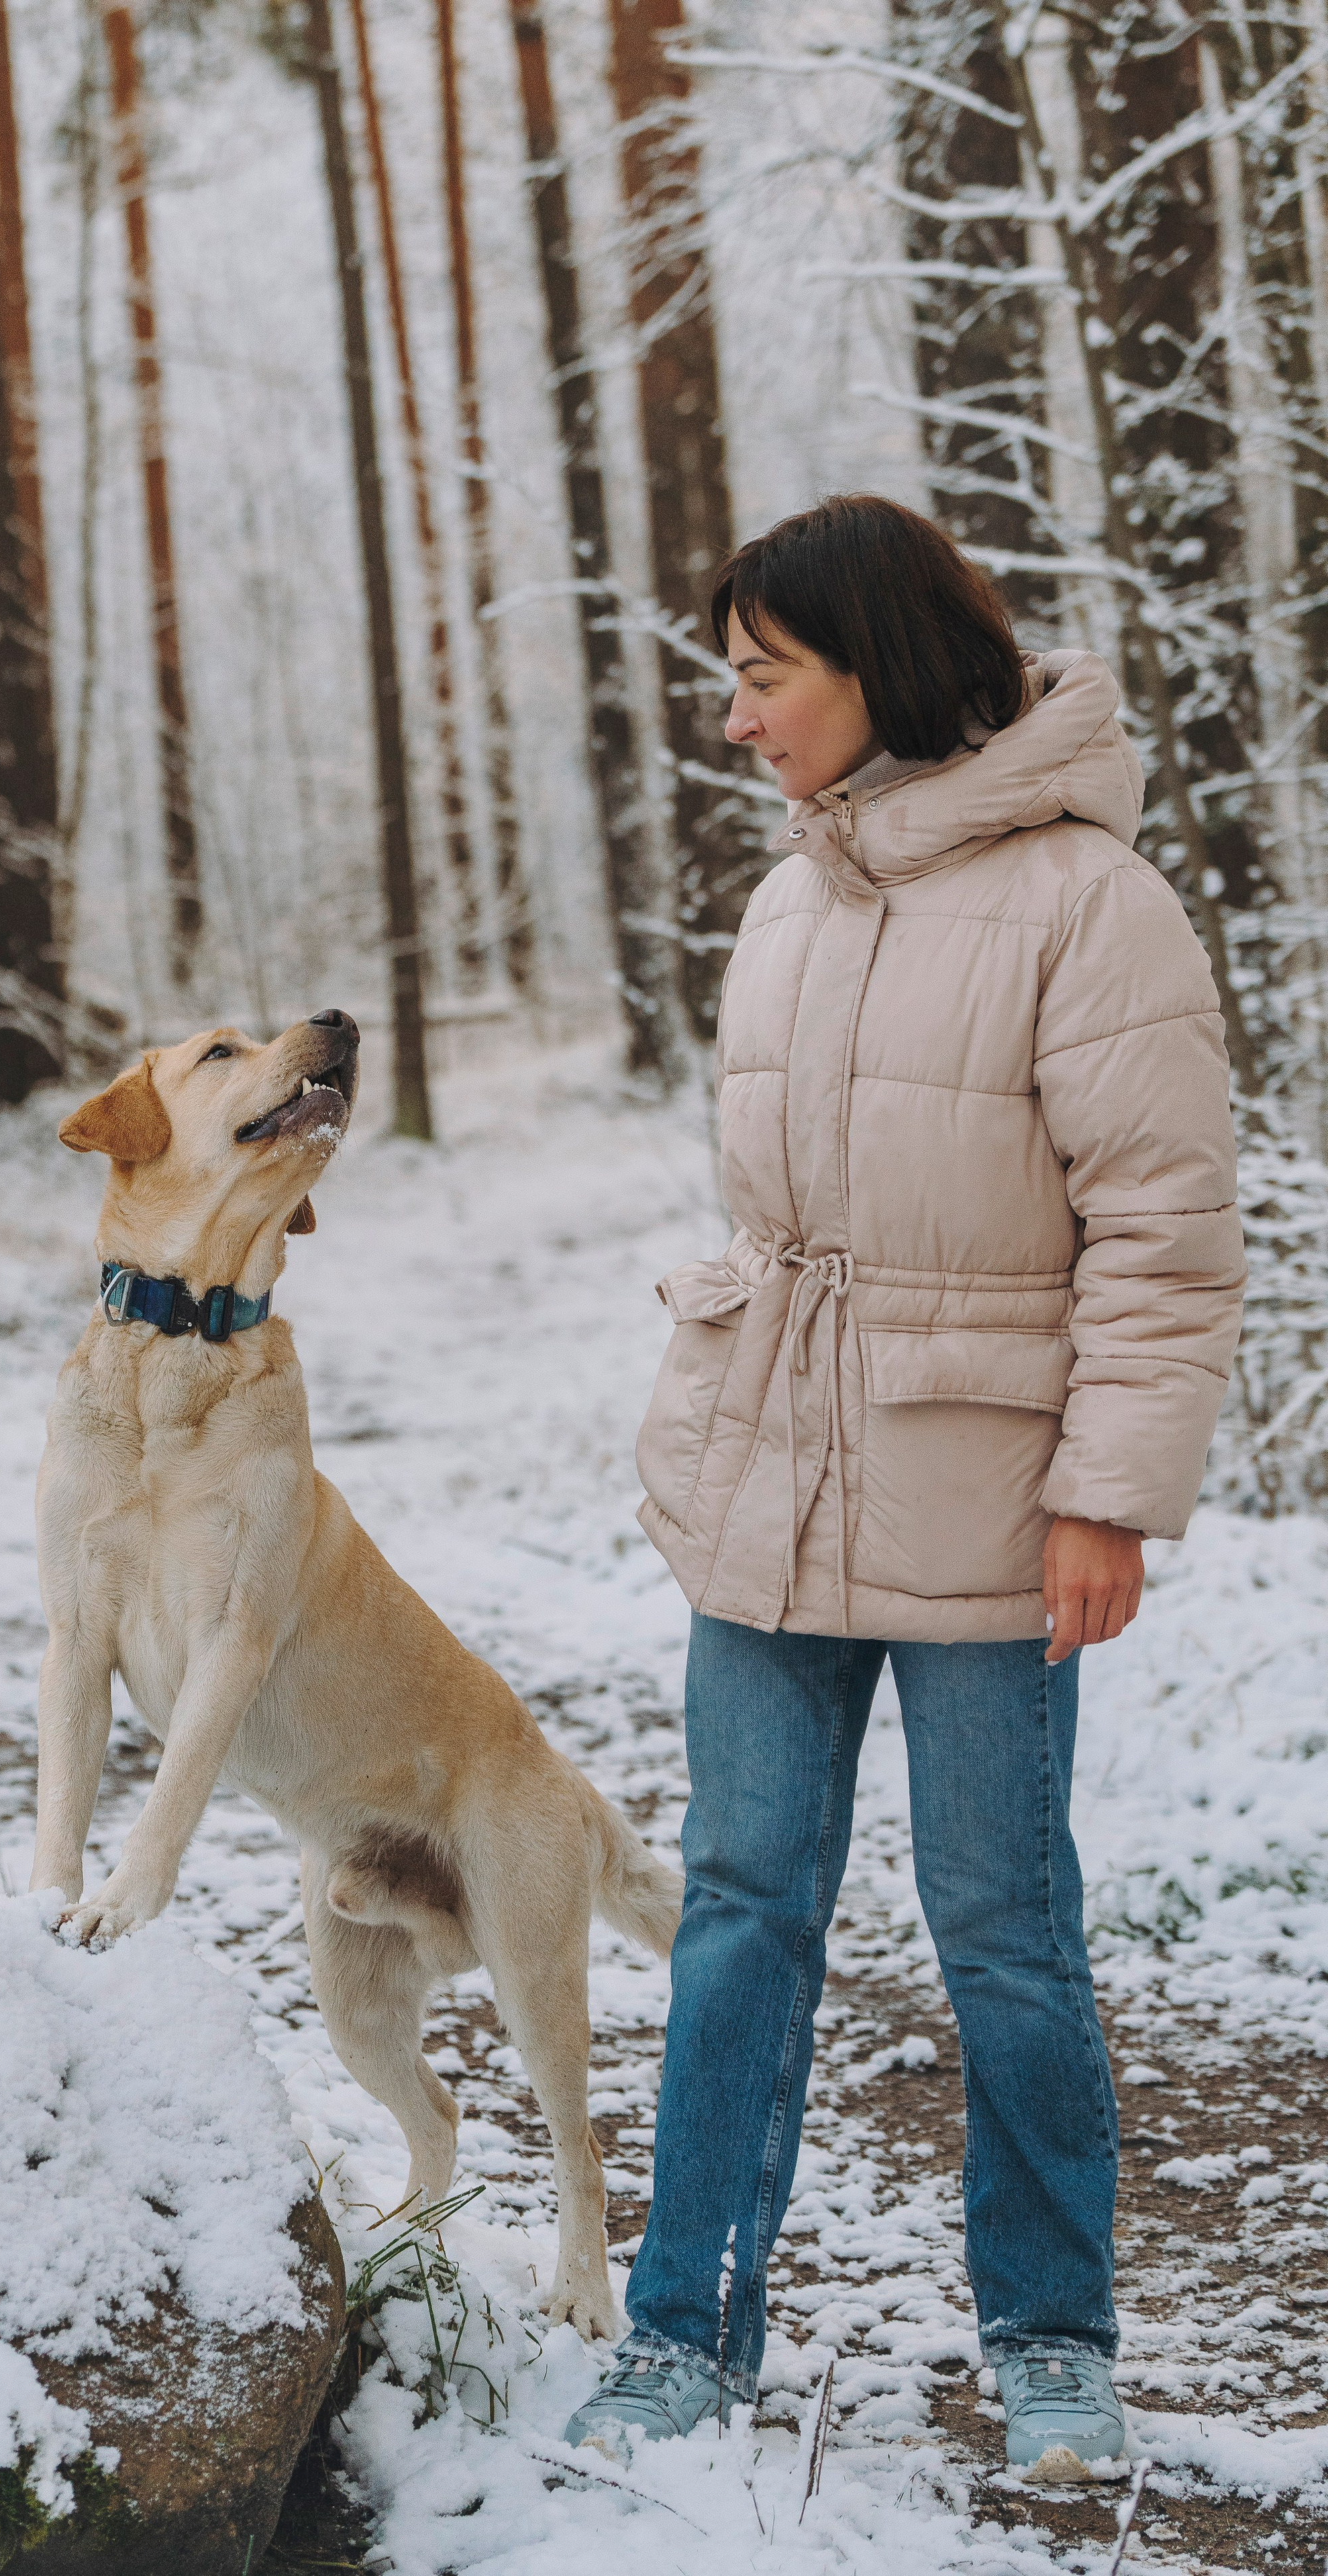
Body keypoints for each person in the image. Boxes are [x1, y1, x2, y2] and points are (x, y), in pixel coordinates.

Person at [565, 493, 1245, 2475]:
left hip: (990, 1491)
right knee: (743, 1907)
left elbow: (1163, 1229)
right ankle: (685, 2329)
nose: (737, 717)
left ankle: (1053, 2338)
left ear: (879, 665)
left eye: (765, 677)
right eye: (733, 679)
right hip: (771, 1481)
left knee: (1003, 1923)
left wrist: (1107, 1493)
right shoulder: (795, 894)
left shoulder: (1086, 902)